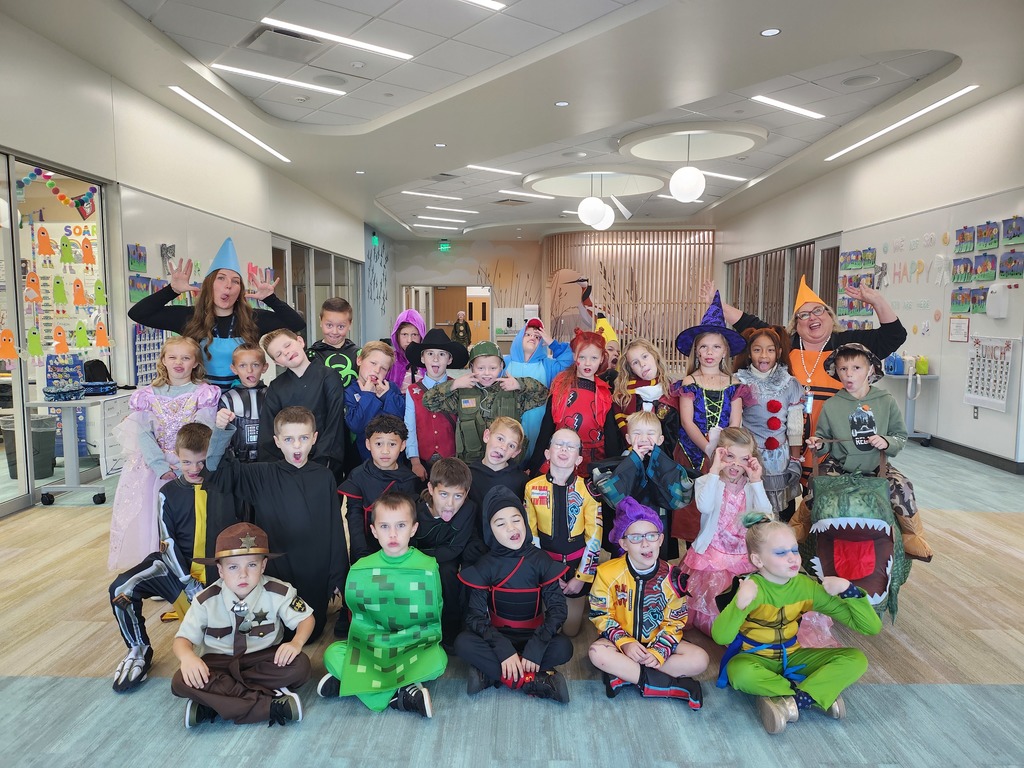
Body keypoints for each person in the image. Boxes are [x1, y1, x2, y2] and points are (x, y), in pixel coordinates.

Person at [709, 276, 907, 481]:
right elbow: (751, 325)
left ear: (830, 316)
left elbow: (894, 336)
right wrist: (717, 304)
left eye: (818, 311)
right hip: (785, 443)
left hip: (834, 447)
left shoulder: (848, 344)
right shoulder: (786, 345)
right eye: (804, 315)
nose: (812, 318)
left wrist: (877, 301)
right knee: (783, 500)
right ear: (796, 324)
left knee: (823, 500)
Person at [712, 513, 882, 734]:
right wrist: (740, 603)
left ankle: (794, 698)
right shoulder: (752, 588)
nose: (792, 558)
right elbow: (721, 637)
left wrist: (848, 590)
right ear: (758, 560)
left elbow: (870, 627)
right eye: (781, 553)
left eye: (794, 550)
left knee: (856, 659)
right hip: (754, 659)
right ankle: (813, 693)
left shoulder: (806, 587)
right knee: (739, 672)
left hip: (793, 656)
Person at [108, 422, 238, 693]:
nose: (193, 469)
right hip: (177, 570)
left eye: (201, 462)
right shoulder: (167, 493)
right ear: (176, 458)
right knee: (121, 588)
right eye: (186, 462)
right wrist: (187, 582)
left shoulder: (225, 487)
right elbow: (166, 541)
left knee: (220, 643)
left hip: (219, 571)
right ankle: (138, 648)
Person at [207, 406, 348, 641]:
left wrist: (337, 576)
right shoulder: (261, 474)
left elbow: (334, 527)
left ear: (314, 439)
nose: (297, 446)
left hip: (315, 571)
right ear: (277, 441)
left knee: (311, 632)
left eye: (303, 438)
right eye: (289, 439)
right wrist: (221, 430)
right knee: (273, 635)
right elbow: (215, 471)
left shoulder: (324, 477)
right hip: (278, 572)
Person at [171, 522, 314, 728]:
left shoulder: (278, 592)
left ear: (263, 566)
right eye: (233, 567)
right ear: (220, 570)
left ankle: (214, 704)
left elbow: (306, 619)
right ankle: (271, 706)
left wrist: (296, 643)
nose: (243, 574)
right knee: (180, 680)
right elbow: (182, 640)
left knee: (300, 666)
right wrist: (187, 657)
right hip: (218, 663)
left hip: (263, 660)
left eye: (252, 565)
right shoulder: (205, 600)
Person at [317, 491, 446, 719]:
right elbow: (358, 618)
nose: (393, 534)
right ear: (374, 531)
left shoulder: (427, 566)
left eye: (401, 525)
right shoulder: (361, 568)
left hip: (411, 645)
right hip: (372, 648)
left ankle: (353, 683)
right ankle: (399, 695)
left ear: (413, 529)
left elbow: (435, 611)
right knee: (331, 653)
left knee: (438, 660)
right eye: (385, 527)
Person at [807, 343, 932, 561]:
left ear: (870, 370)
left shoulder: (886, 401)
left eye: (856, 368)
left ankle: (913, 536)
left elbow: (900, 436)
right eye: (843, 369)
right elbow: (824, 438)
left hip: (877, 465)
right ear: (836, 371)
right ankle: (800, 527)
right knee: (814, 486)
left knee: (902, 487)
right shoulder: (832, 405)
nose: (849, 374)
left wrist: (886, 441)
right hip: (839, 465)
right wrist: (819, 444)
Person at [128, 237, 304, 390]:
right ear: (209, 285)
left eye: (235, 281)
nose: (228, 285)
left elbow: (297, 324)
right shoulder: (189, 317)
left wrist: (271, 298)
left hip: (244, 399)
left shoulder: (253, 319)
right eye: (221, 278)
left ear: (240, 290)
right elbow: (138, 314)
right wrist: (171, 290)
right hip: (200, 402)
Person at [108, 336, 221, 570]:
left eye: (186, 357)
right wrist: (160, 465)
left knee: (188, 517)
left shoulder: (204, 393)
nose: (179, 362)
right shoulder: (147, 396)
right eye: (173, 357)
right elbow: (143, 434)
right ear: (163, 360)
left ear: (195, 363)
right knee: (153, 518)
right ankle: (158, 568)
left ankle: (190, 565)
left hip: (190, 466)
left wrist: (186, 464)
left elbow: (203, 430)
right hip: (153, 468)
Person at [455, 486, 573, 703]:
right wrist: (503, 649)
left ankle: (491, 674)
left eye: (516, 520)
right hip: (498, 637)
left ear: (525, 522)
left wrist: (537, 645)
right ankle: (531, 680)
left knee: (564, 648)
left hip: (534, 636)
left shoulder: (540, 560)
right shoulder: (486, 565)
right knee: (463, 643)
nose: (511, 528)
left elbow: (557, 610)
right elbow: (475, 616)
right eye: (500, 524)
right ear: (490, 530)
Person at [588, 498, 707, 707]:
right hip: (620, 644)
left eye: (651, 536)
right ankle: (669, 686)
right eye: (635, 538)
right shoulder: (607, 573)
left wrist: (659, 651)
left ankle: (627, 675)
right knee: (597, 653)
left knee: (700, 660)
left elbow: (676, 621)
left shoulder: (673, 577)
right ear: (623, 544)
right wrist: (625, 642)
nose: (645, 543)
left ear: (660, 539)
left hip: (656, 642)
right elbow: (600, 614)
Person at [682, 427, 772, 636]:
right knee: (717, 617)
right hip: (712, 554)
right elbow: (704, 507)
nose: (735, 465)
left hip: (743, 555)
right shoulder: (707, 481)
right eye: (730, 456)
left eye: (743, 459)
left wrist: (756, 480)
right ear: (719, 454)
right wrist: (714, 470)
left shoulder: (752, 485)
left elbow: (765, 517)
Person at [525, 428, 603, 637]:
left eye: (570, 446)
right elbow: (531, 536)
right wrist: (547, 573)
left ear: (578, 459)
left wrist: (580, 577)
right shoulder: (532, 487)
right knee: (548, 627)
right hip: (545, 566)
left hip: (577, 566)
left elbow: (594, 539)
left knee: (570, 631)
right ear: (547, 453)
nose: (564, 449)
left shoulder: (588, 490)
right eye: (559, 444)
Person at [423, 341, 549, 463]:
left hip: (506, 466)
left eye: (493, 368)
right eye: (481, 368)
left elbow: (543, 395)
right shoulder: (462, 392)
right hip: (471, 465)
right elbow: (428, 402)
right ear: (471, 367)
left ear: (501, 367)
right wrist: (454, 384)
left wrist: (520, 384)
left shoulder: (512, 391)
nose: (487, 373)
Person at [595, 410, 693, 560]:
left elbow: (680, 499)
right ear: (628, 438)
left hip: (657, 530)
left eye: (650, 434)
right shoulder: (617, 466)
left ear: (660, 439)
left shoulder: (668, 466)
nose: (644, 439)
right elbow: (614, 498)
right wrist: (633, 461)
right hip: (627, 529)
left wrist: (658, 463)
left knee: (655, 567)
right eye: (637, 433)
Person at [671, 291, 751, 474]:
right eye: (704, 347)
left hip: (726, 452)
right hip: (691, 450)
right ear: (697, 351)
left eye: (716, 347)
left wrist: (723, 450)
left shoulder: (734, 384)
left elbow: (735, 421)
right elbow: (687, 421)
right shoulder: (689, 382)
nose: (709, 352)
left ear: (725, 352)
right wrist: (708, 449)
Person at [412, 458, 486, 648]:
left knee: (449, 572)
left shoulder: (469, 509)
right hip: (421, 558)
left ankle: (453, 626)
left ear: (466, 493)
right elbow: (410, 547)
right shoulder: (416, 511)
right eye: (443, 494)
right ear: (431, 488)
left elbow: (455, 548)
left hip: (452, 554)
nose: (450, 504)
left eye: (458, 496)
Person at [733, 327, 804, 519]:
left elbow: (795, 427)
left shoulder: (790, 383)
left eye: (770, 350)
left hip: (781, 458)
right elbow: (735, 424)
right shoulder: (739, 381)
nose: (764, 355)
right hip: (750, 456)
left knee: (782, 510)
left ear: (779, 352)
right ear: (749, 352)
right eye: (757, 350)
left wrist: (795, 460)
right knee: (751, 507)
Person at [257, 329, 347, 483]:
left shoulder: (328, 376)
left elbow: (335, 422)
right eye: (278, 354)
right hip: (288, 467)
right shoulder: (276, 387)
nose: (286, 353)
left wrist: (323, 461)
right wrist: (284, 465)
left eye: (287, 345)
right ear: (277, 363)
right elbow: (268, 430)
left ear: (300, 341)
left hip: (325, 462)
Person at [530, 329, 622, 475]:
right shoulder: (560, 384)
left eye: (594, 358)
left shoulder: (604, 392)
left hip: (594, 464)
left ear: (601, 359)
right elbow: (547, 426)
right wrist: (535, 463)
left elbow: (610, 435)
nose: (587, 363)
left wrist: (615, 468)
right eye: (582, 357)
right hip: (560, 459)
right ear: (574, 356)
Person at [339, 414, 419, 564]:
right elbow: (353, 517)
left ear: (402, 445)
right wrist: (361, 554)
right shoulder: (357, 476)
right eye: (379, 444)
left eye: (392, 444)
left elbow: (410, 523)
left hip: (400, 552)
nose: (385, 451)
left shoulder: (409, 479)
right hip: (364, 550)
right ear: (368, 444)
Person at [403, 328, 469, 481]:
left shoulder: (458, 387)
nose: (436, 359)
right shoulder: (413, 391)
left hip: (453, 461)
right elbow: (410, 427)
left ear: (450, 360)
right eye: (430, 353)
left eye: (442, 354)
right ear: (422, 358)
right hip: (423, 463)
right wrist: (415, 461)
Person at [503, 318, 574, 458]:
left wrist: (553, 344)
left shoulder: (547, 365)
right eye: (528, 334)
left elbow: (569, 361)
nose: (532, 338)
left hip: (538, 425)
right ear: (519, 338)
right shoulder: (505, 362)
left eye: (537, 337)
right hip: (508, 424)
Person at [611, 338, 681, 459]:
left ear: (654, 356)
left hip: (667, 459)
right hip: (632, 457)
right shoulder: (623, 396)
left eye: (645, 357)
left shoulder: (673, 390)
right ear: (630, 368)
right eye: (635, 363)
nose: (642, 364)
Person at [344, 341, 406, 463]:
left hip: (395, 460)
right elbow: (356, 426)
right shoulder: (349, 392)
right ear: (359, 360)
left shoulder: (391, 389)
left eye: (383, 368)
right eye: (373, 363)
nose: (377, 370)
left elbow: (401, 420)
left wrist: (386, 396)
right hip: (363, 461)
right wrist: (367, 395)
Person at [467, 416, 528, 522]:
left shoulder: (522, 481)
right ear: (487, 436)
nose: (503, 447)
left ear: (516, 453)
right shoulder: (467, 475)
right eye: (500, 439)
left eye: (511, 446)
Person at [218, 343, 268, 465]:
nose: (249, 370)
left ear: (264, 367)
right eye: (242, 365)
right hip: (237, 463)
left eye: (255, 365)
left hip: (268, 463)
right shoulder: (227, 399)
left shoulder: (273, 395)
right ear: (234, 369)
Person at [307, 297, 358, 388]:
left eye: (341, 326)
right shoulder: (311, 356)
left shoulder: (359, 355)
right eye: (329, 325)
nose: (334, 332)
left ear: (350, 325)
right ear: (321, 322)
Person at [387, 308, 426, 392]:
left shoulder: (428, 361)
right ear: (397, 336)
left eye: (414, 334)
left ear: (421, 336)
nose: (409, 340)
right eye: (404, 334)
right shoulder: (391, 360)